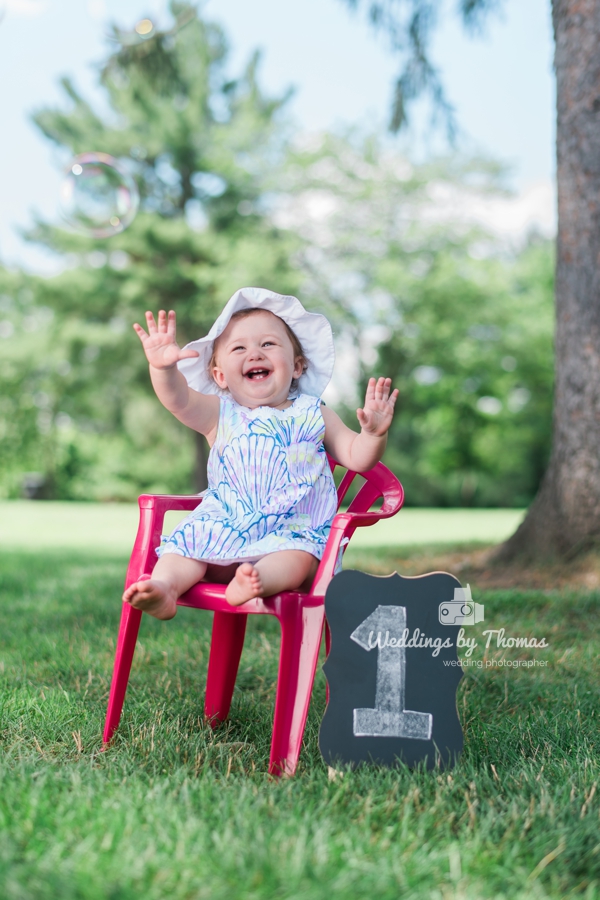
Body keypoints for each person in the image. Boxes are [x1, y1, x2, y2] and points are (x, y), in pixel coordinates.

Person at [122, 287, 398, 619]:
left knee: (297, 557)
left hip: (290, 532)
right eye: (239, 348)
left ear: (297, 366)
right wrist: (163, 369)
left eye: (268, 344)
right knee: (185, 543)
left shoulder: (314, 412)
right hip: (224, 529)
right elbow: (178, 399)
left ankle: (256, 581)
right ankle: (165, 587)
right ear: (220, 376)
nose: (255, 353)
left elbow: (358, 457)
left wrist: (373, 434)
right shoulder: (219, 414)